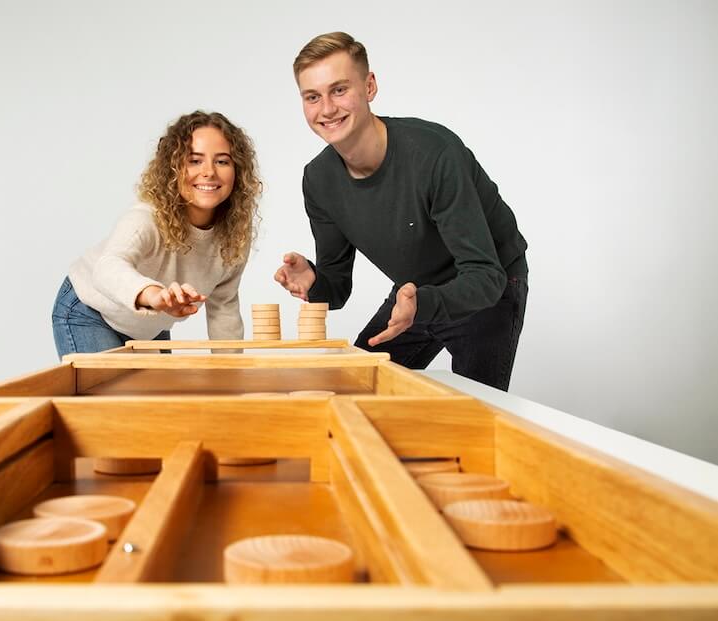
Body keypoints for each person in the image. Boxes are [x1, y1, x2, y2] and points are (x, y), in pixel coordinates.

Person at [274, 32, 529, 391]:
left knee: (474, 416)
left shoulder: (435, 154)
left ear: (370, 86)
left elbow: (486, 276)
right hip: (415, 291)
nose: (327, 109)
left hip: (488, 285)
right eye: (312, 97)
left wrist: (420, 304)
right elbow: (338, 288)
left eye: (339, 90)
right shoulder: (318, 180)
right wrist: (315, 283)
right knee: (353, 391)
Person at [52, 111, 261, 358]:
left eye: (222, 161)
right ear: (173, 168)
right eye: (194, 160)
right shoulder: (146, 218)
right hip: (90, 310)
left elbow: (223, 306)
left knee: (158, 396)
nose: (209, 172)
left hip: (148, 327)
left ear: (238, 172)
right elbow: (107, 268)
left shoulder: (234, 235)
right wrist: (155, 296)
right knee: (116, 396)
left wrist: (232, 374)